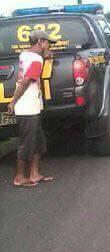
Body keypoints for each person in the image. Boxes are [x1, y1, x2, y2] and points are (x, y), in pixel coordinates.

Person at [6, 30, 56, 187]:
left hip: (32, 107)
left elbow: (33, 59)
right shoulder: (35, 59)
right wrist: (13, 101)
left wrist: (44, 55)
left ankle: (34, 174)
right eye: (47, 42)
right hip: (26, 107)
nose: (48, 46)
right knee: (27, 144)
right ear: (40, 41)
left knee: (38, 142)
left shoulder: (26, 55)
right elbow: (27, 80)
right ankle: (20, 177)